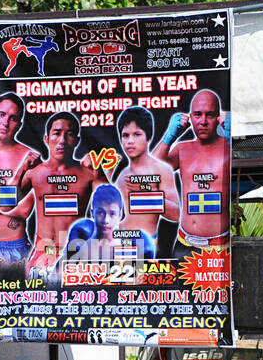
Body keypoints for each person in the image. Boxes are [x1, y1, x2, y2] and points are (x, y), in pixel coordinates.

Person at [0, 112, 104, 281]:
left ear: (76, 141)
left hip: (76, 254)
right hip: (43, 254)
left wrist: (101, 174)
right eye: (57, 133)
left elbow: (116, 213)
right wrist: (22, 169)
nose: (62, 140)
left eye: (69, 134)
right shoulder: (35, 172)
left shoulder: (88, 173)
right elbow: (5, 205)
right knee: (36, 304)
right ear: (47, 139)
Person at [153, 89, 231, 263]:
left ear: (219, 117)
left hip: (219, 246)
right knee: (180, 290)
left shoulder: (227, 147)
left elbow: (243, 170)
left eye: (209, 115)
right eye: (197, 114)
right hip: (184, 242)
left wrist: (233, 139)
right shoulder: (183, 149)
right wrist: (169, 136)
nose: (203, 121)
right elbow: (152, 171)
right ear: (190, 117)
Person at [0, 94, 39, 269]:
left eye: (13, 118)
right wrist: (9, 202)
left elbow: (25, 210)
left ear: (19, 124)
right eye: (1, 115)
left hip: (15, 246)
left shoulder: (30, 158)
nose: (5, 122)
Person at [111, 107, 179, 243]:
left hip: (146, 244)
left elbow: (175, 214)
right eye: (125, 135)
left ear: (148, 137)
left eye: (137, 134)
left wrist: (146, 192)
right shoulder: (123, 174)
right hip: (120, 242)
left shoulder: (161, 169)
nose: (130, 141)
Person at [63, 183, 157, 264]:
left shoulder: (133, 245)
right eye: (100, 212)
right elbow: (55, 279)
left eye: (112, 213)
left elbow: (147, 280)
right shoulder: (80, 247)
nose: (106, 220)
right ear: (92, 213)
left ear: (120, 215)